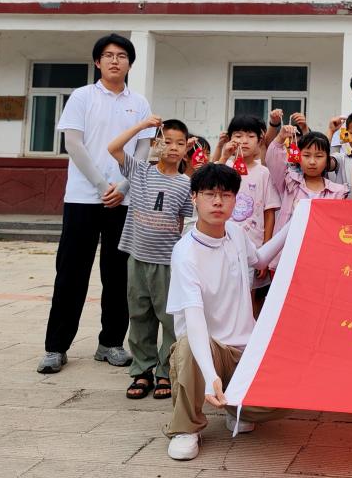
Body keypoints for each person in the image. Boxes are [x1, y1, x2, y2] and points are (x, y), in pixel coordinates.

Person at [37, 33, 155, 374]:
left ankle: (111, 343)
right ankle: (56, 347)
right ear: (97, 62)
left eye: (122, 56)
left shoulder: (140, 103)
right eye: (108, 55)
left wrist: (125, 185)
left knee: (118, 276)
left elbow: (143, 149)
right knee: (71, 273)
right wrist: (104, 186)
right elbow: (74, 144)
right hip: (83, 198)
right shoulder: (82, 96)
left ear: (130, 63)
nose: (115, 60)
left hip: (125, 200)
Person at [164, 163, 291, 460]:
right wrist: (211, 377)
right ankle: (186, 428)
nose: (218, 202)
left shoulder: (234, 231)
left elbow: (260, 259)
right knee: (187, 346)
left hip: (245, 351)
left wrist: (293, 225)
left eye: (226, 195)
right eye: (210, 194)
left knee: (293, 392)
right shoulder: (185, 253)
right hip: (207, 352)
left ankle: (237, 408)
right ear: (194, 197)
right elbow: (194, 321)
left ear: (235, 199)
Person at [108, 115, 192, 400]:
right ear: (156, 144)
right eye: (167, 141)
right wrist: (142, 127)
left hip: (167, 264)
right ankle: (141, 371)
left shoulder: (185, 184)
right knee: (139, 315)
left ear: (186, 148)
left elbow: (184, 224)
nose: (173, 147)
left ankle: (165, 371)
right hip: (137, 259)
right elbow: (113, 148)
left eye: (179, 143)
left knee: (169, 319)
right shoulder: (140, 171)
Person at [215, 115, 281, 318]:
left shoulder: (263, 173)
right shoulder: (224, 169)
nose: (244, 141)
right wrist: (223, 156)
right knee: (223, 296)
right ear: (229, 139)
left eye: (250, 136)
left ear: (260, 141)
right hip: (223, 245)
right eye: (238, 135)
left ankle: (250, 337)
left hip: (253, 249)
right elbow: (208, 185)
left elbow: (269, 213)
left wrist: (265, 253)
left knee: (251, 299)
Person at [266, 127, 348, 272]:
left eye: (319, 156)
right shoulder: (289, 182)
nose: (312, 161)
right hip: (286, 258)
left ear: (328, 159)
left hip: (320, 260)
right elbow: (273, 160)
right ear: (298, 157)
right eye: (306, 155)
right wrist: (280, 137)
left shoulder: (337, 193)